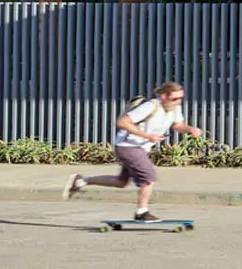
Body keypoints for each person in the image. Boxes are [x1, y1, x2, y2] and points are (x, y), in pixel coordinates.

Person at [64, 81, 203, 221]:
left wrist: (190, 129)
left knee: (121, 182)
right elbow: (122, 122)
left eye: (180, 98)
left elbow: (177, 125)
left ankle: (81, 181)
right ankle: (141, 212)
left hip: (141, 148)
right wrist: (148, 136)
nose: (178, 102)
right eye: (175, 98)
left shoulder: (174, 108)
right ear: (164, 96)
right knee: (149, 176)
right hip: (127, 146)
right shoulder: (150, 106)